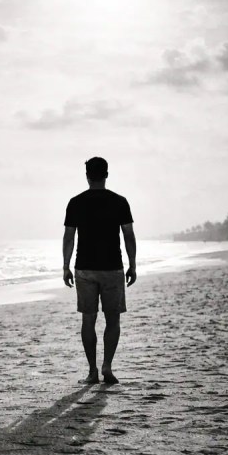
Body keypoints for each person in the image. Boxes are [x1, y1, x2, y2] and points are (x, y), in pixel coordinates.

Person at [62, 157, 136, 385]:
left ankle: (92, 371)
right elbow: (128, 235)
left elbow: (69, 236)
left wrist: (65, 266)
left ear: (87, 175)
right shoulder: (120, 201)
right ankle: (107, 367)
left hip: (84, 269)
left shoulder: (75, 202)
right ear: (106, 174)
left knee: (88, 320)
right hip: (112, 268)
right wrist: (133, 263)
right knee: (113, 320)